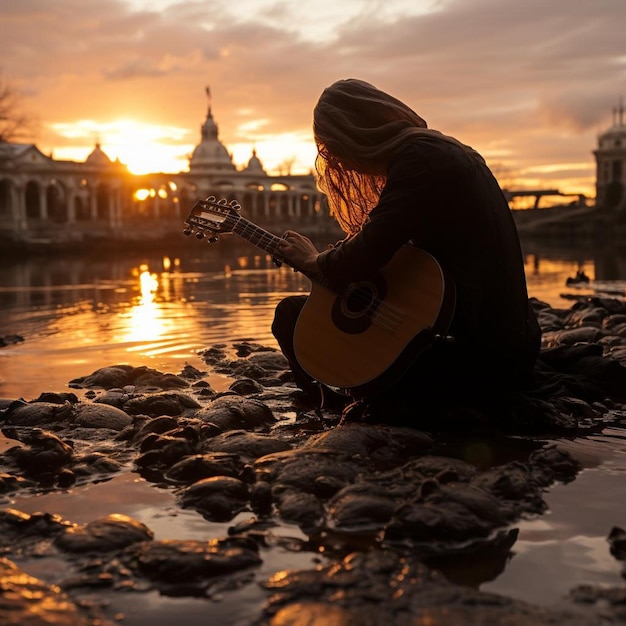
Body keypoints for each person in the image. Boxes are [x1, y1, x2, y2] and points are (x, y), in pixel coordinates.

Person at [272, 78, 541, 422]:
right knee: (314, 315)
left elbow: (366, 253)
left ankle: (333, 409)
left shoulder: (419, 160)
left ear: (354, 134)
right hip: (499, 345)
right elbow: (395, 254)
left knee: (291, 317)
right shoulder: (438, 151)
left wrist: (313, 261)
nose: (342, 165)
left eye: (335, 150)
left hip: (474, 360)